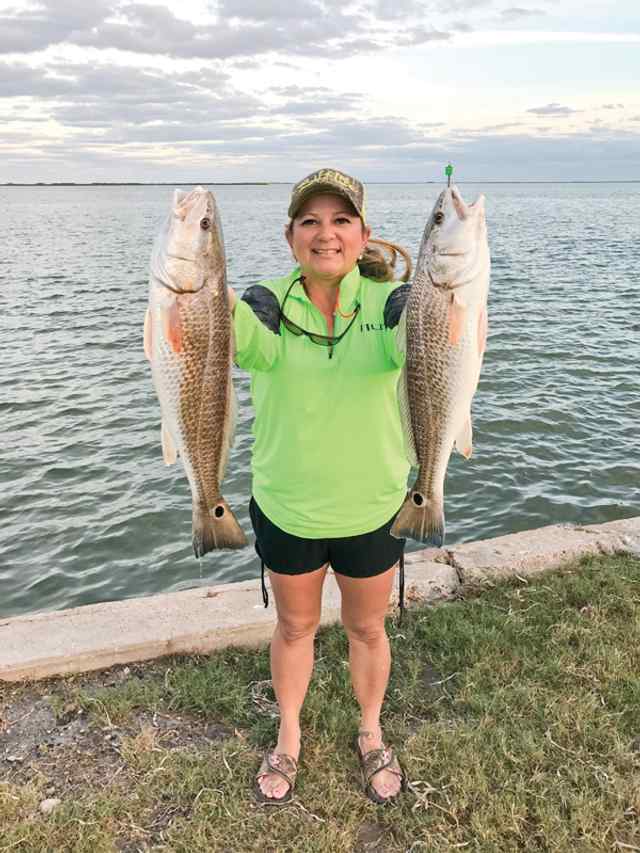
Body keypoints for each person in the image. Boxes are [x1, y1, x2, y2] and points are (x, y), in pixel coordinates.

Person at [228, 168, 412, 805]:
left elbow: (442, 349)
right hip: (289, 504)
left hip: (374, 505)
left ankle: (370, 729)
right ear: (290, 236)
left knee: (367, 629)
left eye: (340, 221)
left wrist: (447, 300)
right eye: (310, 221)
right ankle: (288, 737)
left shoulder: (394, 302)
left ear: (363, 235)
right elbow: (213, 336)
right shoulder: (264, 303)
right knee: (294, 627)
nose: (325, 234)